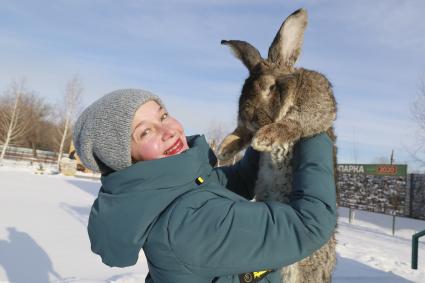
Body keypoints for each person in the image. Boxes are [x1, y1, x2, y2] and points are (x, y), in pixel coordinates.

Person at [73, 89, 337, 283]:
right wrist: (314, 127)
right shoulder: (186, 224)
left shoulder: (179, 189)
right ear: (125, 159)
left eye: (163, 116)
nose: (169, 131)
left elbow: (242, 180)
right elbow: (310, 224)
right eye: (145, 132)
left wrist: (266, 129)